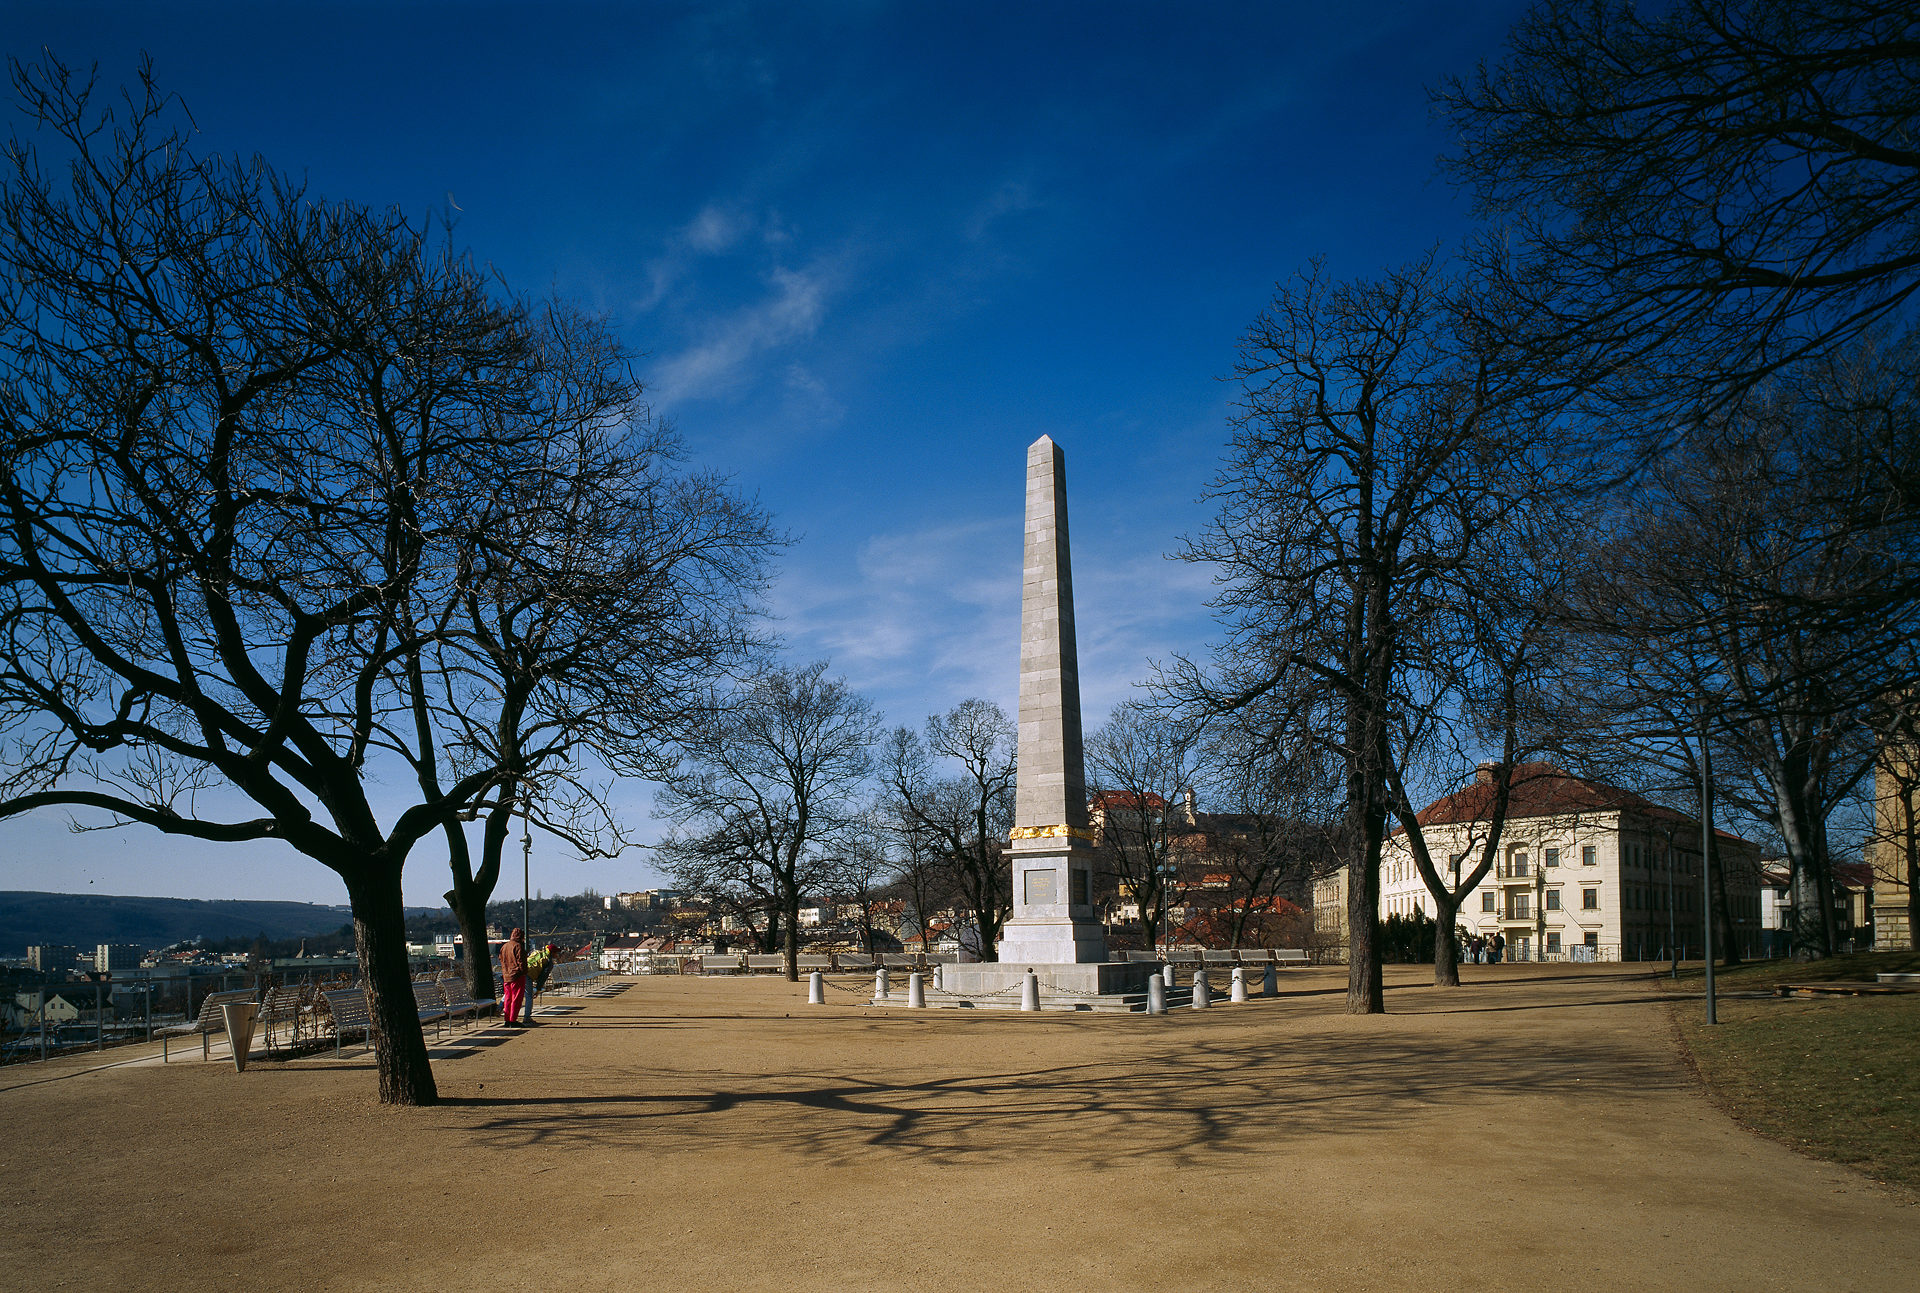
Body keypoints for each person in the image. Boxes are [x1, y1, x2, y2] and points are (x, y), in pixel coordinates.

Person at [499, 928, 528, 1028]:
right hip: (517, 975)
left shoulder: (504, 946)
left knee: (508, 998)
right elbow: (522, 962)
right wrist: (524, 972)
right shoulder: (518, 946)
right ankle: (513, 1019)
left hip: (506, 976)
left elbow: (501, 959)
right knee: (516, 998)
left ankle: (507, 1020)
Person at [524, 942, 554, 1024]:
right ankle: (527, 1017)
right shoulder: (548, 961)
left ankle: (500, 1007)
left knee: (512, 992)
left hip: (520, 971)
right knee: (529, 997)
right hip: (528, 975)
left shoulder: (537, 952)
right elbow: (543, 977)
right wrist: (537, 989)